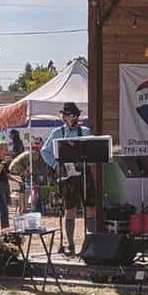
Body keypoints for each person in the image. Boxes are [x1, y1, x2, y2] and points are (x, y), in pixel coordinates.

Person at [41, 102, 95, 255]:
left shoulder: (85, 131)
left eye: (74, 115)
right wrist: (55, 165)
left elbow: (93, 150)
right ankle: (71, 245)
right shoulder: (57, 132)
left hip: (84, 173)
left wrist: (88, 162)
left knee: (90, 208)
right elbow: (45, 151)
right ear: (64, 117)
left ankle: (90, 244)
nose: (72, 118)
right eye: (68, 115)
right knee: (69, 210)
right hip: (67, 176)